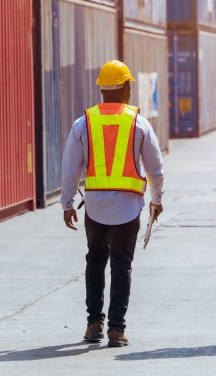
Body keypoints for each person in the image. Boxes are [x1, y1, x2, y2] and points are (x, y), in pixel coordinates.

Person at [60, 60, 164, 348]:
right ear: (126, 88)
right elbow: (155, 167)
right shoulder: (138, 122)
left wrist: (67, 203)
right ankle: (116, 329)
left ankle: (94, 322)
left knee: (95, 261)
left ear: (102, 90)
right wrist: (157, 199)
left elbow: (71, 168)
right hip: (128, 209)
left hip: (95, 208)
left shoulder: (84, 123)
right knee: (121, 266)